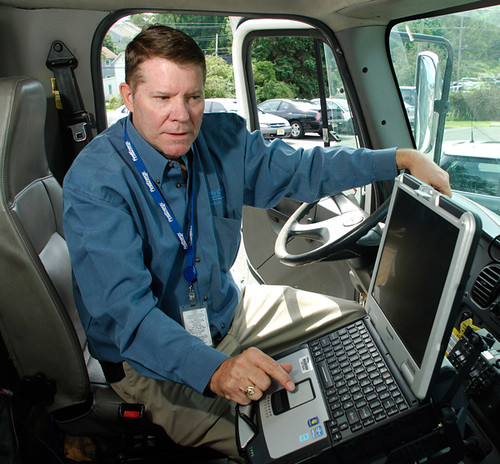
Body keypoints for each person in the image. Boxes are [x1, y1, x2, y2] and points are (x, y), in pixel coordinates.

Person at [62, 25, 451, 462]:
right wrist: (216, 368)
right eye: (162, 98)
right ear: (128, 97)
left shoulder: (220, 138)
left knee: (362, 329)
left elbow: (305, 169)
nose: (183, 115)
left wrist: (397, 159)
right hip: (152, 358)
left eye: (193, 97)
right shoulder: (96, 184)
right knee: (280, 449)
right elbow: (126, 319)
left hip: (231, 311)